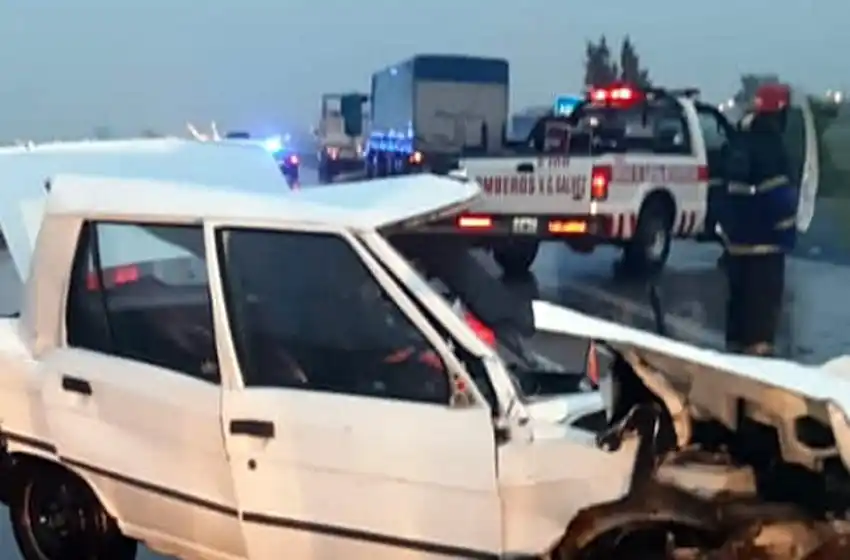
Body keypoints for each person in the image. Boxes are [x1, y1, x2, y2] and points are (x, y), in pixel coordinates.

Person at [719, 83, 798, 356]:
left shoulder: (740, 141)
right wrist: (788, 234)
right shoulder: (773, 146)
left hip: (736, 248)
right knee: (760, 329)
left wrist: (728, 236)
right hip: (766, 251)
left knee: (738, 324)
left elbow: (723, 194)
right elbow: (780, 200)